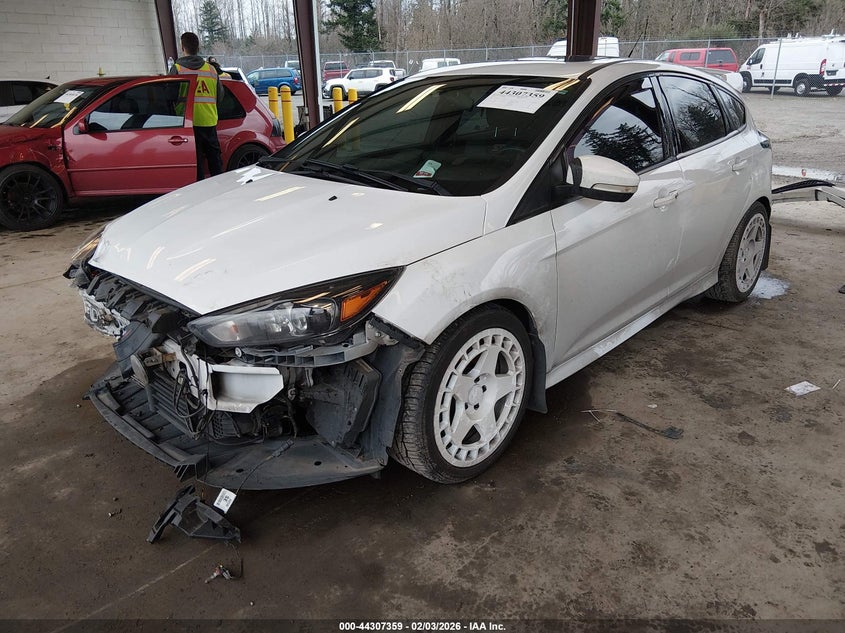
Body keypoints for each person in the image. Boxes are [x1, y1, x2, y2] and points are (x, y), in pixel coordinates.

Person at [169, 32, 224, 180]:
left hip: (188, 123)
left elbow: (169, 98)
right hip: (209, 122)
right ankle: (221, 190)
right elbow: (220, 96)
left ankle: (200, 195)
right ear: (198, 47)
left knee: (196, 164)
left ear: (182, 47)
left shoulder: (177, 69)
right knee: (215, 163)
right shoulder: (211, 70)